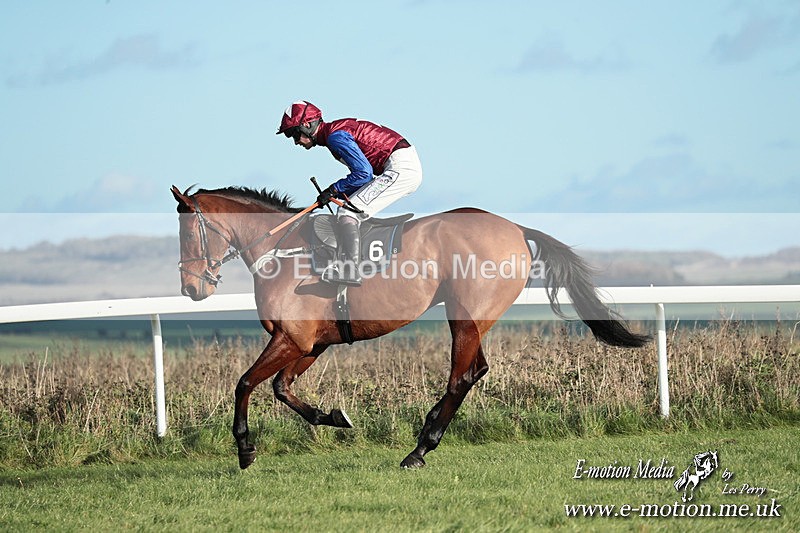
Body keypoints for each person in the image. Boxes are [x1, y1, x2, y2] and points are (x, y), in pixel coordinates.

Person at [277, 101, 422, 286]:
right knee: (350, 206)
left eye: (293, 133)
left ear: (307, 125)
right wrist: (336, 193)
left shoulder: (335, 137)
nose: (295, 141)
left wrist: (334, 189)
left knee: (347, 212)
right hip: (400, 165)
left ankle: (350, 269)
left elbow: (364, 174)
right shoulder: (334, 133)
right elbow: (365, 177)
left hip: (400, 168)